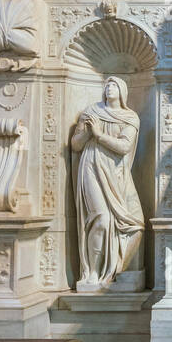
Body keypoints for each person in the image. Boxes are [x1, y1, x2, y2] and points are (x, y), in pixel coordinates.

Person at [72, 76, 144, 291]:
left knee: (134, 223)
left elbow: (123, 147)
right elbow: (75, 145)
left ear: (122, 91)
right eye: (107, 85)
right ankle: (93, 271)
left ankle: (115, 271)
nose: (109, 88)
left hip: (116, 174)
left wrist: (99, 135)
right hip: (91, 168)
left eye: (114, 85)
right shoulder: (91, 112)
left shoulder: (130, 117)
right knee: (102, 219)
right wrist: (86, 133)